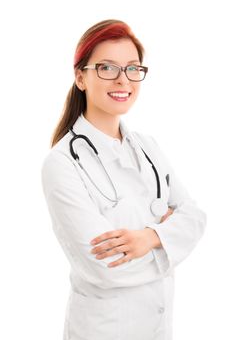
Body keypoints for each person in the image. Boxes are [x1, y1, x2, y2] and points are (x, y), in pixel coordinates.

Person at [41, 19, 206, 340]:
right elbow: (103, 266)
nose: (123, 79)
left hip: (159, 328)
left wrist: (148, 237)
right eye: (107, 68)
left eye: (133, 68)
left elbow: (196, 218)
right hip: (104, 330)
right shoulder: (61, 163)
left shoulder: (148, 147)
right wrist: (170, 239)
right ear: (80, 77)